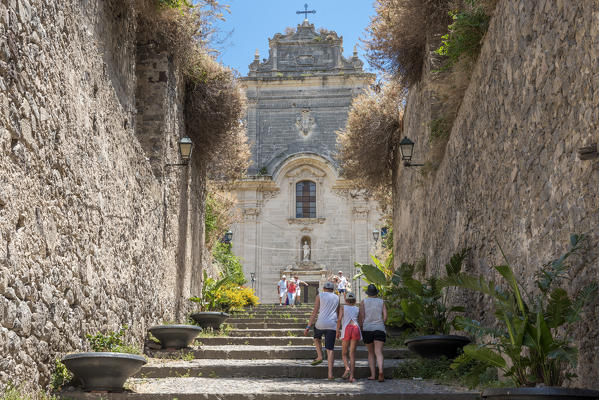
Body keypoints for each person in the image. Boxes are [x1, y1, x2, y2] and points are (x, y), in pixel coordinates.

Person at [304, 281, 339, 380]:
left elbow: (315, 312)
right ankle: (330, 374)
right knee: (330, 349)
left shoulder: (320, 295)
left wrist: (308, 326)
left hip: (320, 323)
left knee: (316, 338)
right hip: (332, 324)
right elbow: (338, 312)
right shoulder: (336, 297)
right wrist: (339, 328)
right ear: (333, 289)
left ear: (323, 289)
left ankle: (319, 356)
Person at [358, 284, 387, 382]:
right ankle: (381, 372)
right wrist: (382, 324)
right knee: (378, 352)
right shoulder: (381, 302)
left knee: (371, 353)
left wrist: (361, 327)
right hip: (379, 328)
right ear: (376, 293)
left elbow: (362, 316)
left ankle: (373, 375)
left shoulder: (363, 302)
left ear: (368, 293)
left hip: (367, 329)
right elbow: (385, 316)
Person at [336, 292, 360, 382]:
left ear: (346, 300)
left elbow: (339, 319)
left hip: (347, 329)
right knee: (352, 354)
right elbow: (360, 321)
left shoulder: (343, 307)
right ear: (355, 301)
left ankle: (347, 368)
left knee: (344, 353)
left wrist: (337, 331)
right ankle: (351, 377)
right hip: (355, 328)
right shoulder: (357, 309)